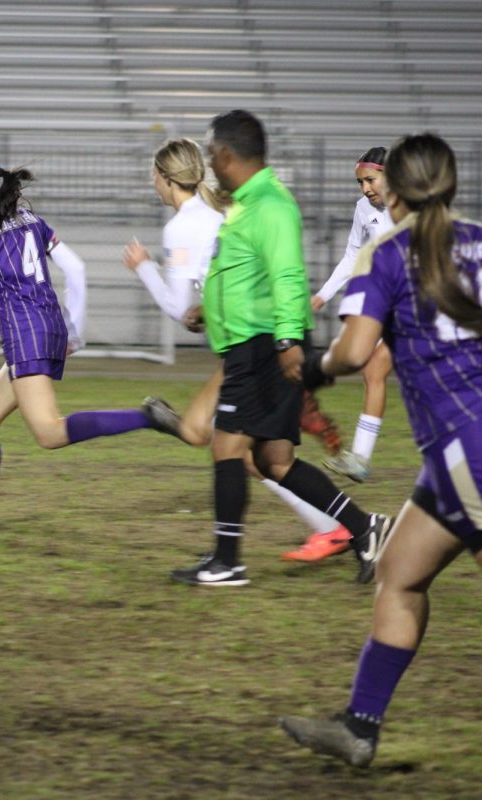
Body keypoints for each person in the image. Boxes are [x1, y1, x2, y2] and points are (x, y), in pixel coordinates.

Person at [280, 133, 482, 767]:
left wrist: (313, 368)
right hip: (449, 462)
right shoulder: (477, 237)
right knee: (397, 573)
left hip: (466, 450)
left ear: (394, 187)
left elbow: (354, 351)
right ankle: (359, 726)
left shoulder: (387, 253)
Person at [170, 110, 391, 587]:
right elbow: (248, 275)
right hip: (256, 342)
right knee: (275, 460)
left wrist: (289, 341)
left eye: (211, 153)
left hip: (264, 345)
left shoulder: (269, 204)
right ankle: (366, 529)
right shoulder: (248, 204)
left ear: (226, 153)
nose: (210, 162)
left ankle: (227, 561)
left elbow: (288, 274)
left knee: (227, 446)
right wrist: (207, 309)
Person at [121, 138, 353, 562]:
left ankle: (326, 533)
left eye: (153, 175)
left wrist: (144, 269)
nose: (152, 183)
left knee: (241, 450)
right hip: (261, 341)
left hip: (252, 346)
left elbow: (179, 309)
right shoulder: (221, 213)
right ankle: (339, 528)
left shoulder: (182, 227)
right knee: (248, 452)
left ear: (166, 178)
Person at [0, 148, 175, 530]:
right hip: (50, 327)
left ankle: (145, 417)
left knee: (49, 432)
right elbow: (76, 268)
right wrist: (74, 328)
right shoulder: (29, 219)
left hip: (26, 335)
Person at [312, 148, 397, 484]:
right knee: (372, 369)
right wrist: (321, 295)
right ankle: (360, 458)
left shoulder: (416, 206)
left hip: (421, 307)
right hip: (390, 305)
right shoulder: (364, 209)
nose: (365, 188)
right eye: (360, 182)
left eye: (370, 180)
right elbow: (352, 257)